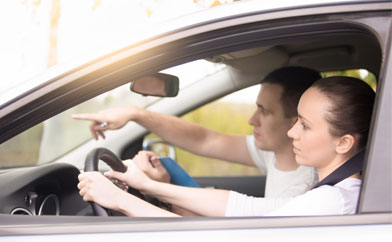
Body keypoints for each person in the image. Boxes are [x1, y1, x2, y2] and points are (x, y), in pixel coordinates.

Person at [77, 76, 375, 217]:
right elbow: (243, 207)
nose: (292, 131)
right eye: (296, 119)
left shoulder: (329, 203)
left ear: (344, 142)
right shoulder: (335, 193)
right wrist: (148, 185)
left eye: (305, 125)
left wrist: (120, 199)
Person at [73, 67, 320, 199]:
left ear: (295, 123)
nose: (251, 120)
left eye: (264, 112)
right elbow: (205, 139)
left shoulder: (303, 190)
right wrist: (137, 114)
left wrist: (158, 185)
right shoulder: (276, 152)